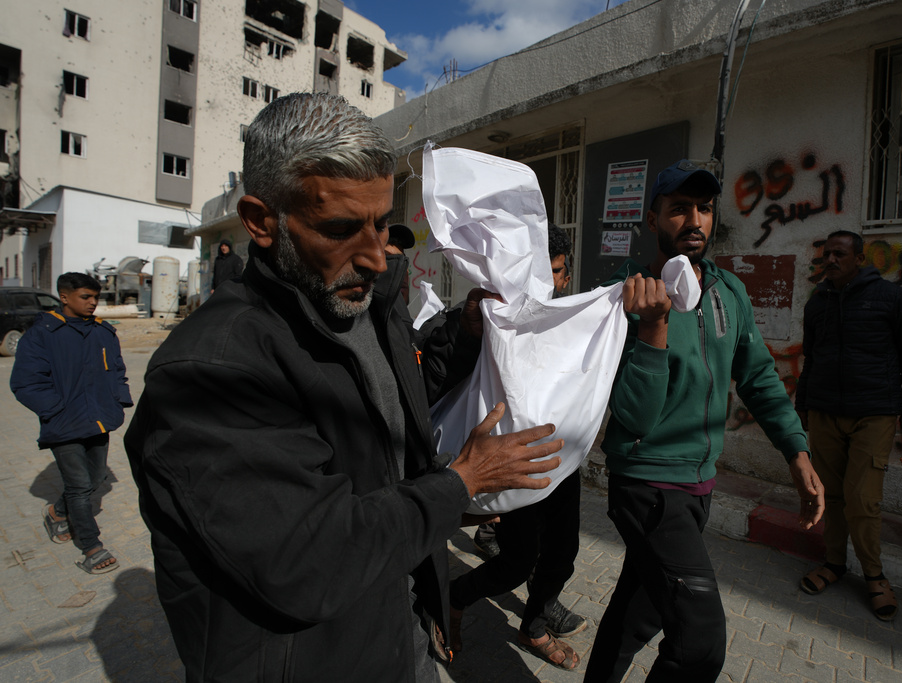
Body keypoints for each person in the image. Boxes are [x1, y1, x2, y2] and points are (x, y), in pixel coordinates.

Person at [124, 92, 564, 682]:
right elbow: (309, 561)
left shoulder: (366, 306)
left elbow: (396, 409)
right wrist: (459, 484)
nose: (377, 257)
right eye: (340, 228)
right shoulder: (213, 372)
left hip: (395, 635)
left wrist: (465, 334)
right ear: (260, 221)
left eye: (381, 224)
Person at [583, 159, 824, 683]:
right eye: (678, 209)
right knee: (700, 639)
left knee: (639, 610)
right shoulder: (625, 298)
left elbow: (758, 377)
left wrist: (796, 452)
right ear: (653, 221)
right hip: (647, 484)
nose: (694, 220)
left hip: (699, 485)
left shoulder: (728, 291)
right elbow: (634, 416)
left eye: (705, 209)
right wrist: (654, 326)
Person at [450, 223, 585, 671]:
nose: (548, 285)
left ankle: (535, 624)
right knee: (515, 562)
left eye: (557, 273)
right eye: (539, 276)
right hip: (516, 460)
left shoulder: (578, 321)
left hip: (563, 459)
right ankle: (455, 597)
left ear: (566, 276)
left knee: (563, 556)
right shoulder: (501, 314)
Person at [794, 230, 902, 621]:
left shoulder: (889, 297)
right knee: (829, 494)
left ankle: (874, 575)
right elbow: (812, 358)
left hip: (875, 412)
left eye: (839, 254)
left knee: (863, 499)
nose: (830, 260)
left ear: (860, 258)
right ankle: (834, 564)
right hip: (824, 412)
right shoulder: (818, 302)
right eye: (826, 255)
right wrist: (804, 406)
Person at [10, 271, 131, 575]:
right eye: (85, 297)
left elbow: (117, 370)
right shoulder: (43, 333)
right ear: (64, 297)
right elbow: (25, 382)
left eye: (96, 297)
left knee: (96, 477)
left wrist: (118, 402)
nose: (93, 303)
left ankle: (56, 511)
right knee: (78, 485)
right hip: (64, 424)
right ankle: (91, 546)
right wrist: (55, 409)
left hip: (99, 420)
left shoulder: (104, 332)